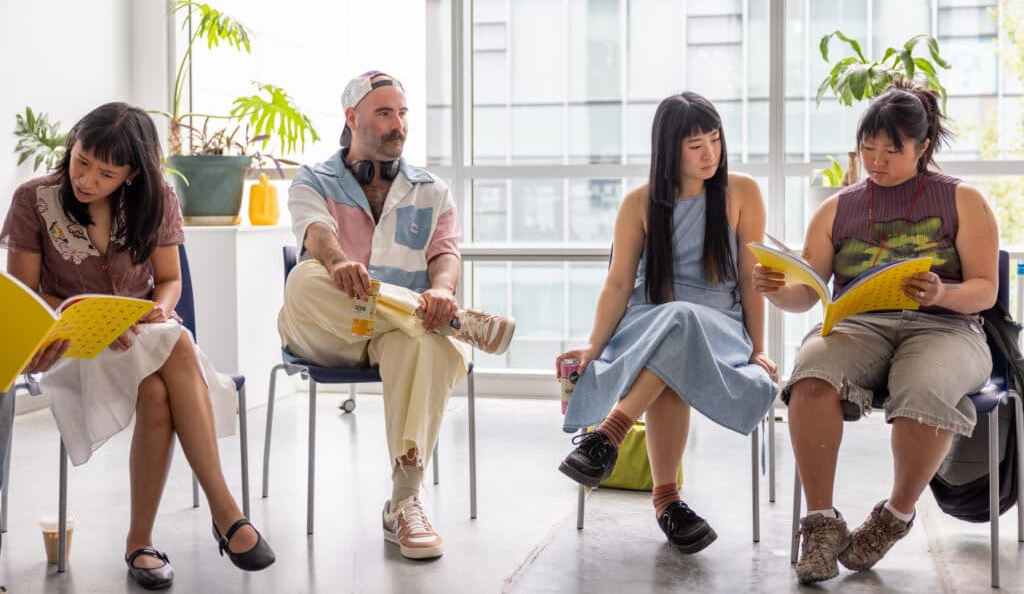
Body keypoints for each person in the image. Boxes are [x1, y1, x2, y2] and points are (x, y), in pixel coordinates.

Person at [0, 102, 275, 589]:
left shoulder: (157, 199)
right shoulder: (32, 200)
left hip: (141, 337)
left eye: (105, 173)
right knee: (177, 347)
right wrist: (84, 318)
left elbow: (168, 281)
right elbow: (25, 294)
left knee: (164, 363)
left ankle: (142, 543)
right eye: (81, 160)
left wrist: (160, 309)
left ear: (130, 175)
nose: (85, 179)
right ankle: (225, 513)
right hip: (73, 345)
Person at [754, 77, 999, 584]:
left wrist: (941, 295)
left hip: (947, 327)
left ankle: (895, 515)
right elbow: (807, 295)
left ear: (923, 146)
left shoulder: (963, 200)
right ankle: (821, 524)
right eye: (868, 148)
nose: (877, 160)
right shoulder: (837, 208)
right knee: (813, 371)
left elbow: (985, 289)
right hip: (860, 325)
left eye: (892, 150)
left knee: (925, 387)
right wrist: (777, 287)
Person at [278, 70, 515, 560]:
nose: (397, 125)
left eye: (402, 113)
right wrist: (339, 261)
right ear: (352, 118)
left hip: (391, 334)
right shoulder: (313, 180)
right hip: (330, 330)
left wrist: (444, 290)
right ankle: (454, 324)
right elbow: (316, 234)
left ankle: (403, 503)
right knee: (304, 279)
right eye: (384, 113)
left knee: (422, 340)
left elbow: (446, 254)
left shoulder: (432, 191)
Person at [556, 91, 780, 553]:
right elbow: (619, 285)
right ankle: (668, 502)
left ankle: (609, 437)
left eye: (715, 140)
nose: (710, 154)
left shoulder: (742, 193)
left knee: (683, 326)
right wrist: (593, 347)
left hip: (719, 327)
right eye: (695, 145)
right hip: (647, 322)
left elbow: (754, 282)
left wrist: (759, 347)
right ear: (668, 149)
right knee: (674, 333)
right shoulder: (638, 204)